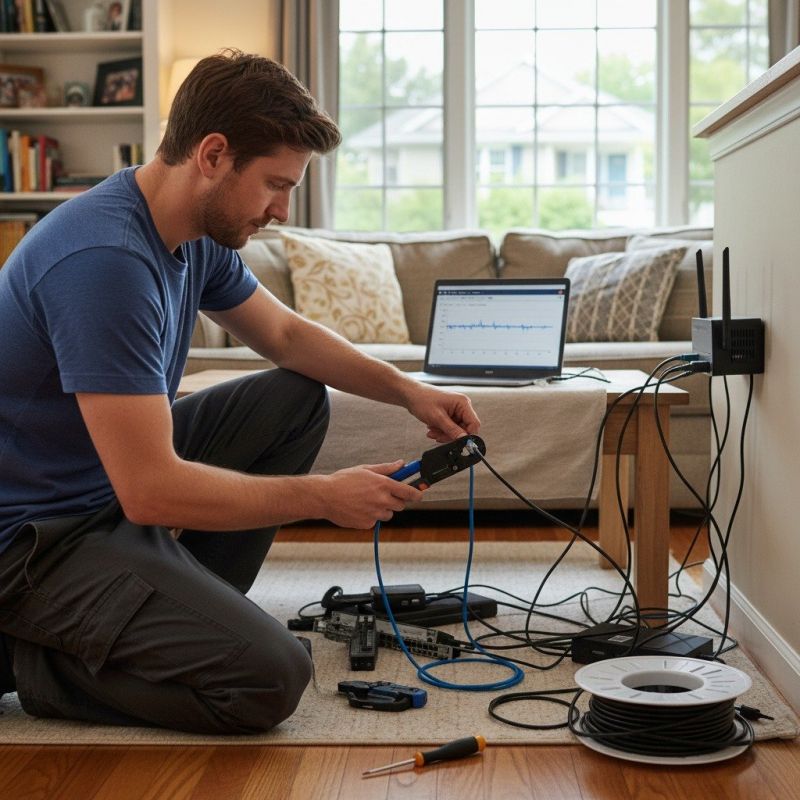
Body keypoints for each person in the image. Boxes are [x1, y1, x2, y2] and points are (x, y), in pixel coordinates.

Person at [0, 50, 480, 734]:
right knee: (268, 679)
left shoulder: (190, 232)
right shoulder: (105, 263)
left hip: (99, 491)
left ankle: (179, 606)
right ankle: (28, 656)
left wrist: (409, 391)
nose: (282, 210)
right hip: (32, 544)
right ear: (213, 155)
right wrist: (323, 496)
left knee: (293, 400)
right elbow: (151, 492)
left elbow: (284, 335)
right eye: (275, 185)